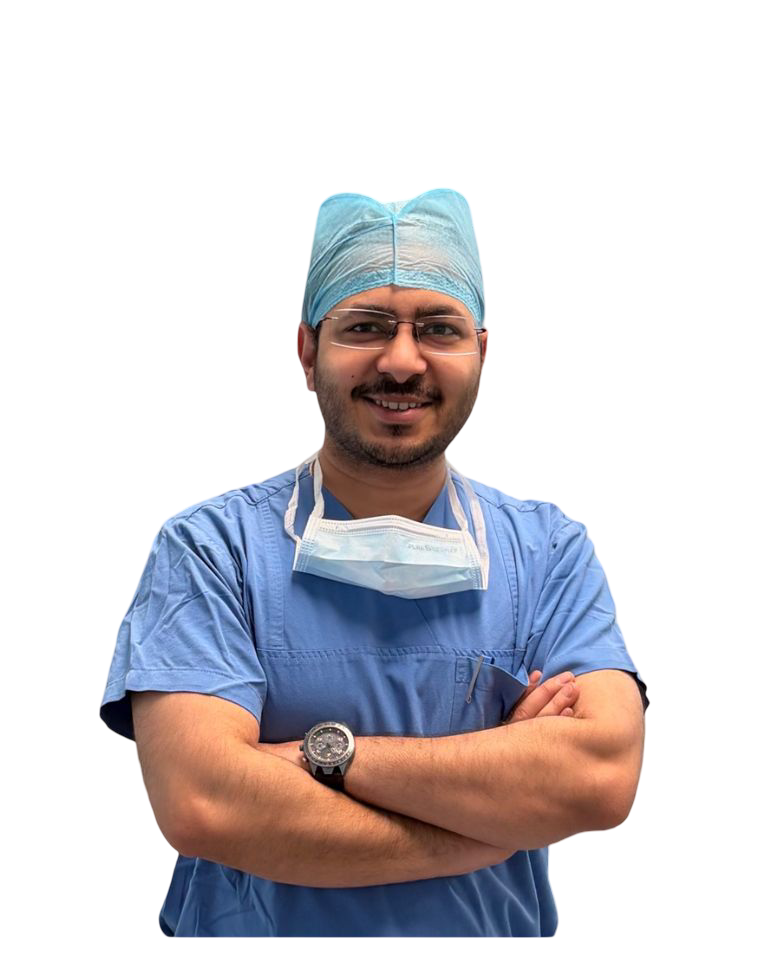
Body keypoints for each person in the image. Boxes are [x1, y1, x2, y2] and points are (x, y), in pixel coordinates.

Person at [99, 188, 648, 938]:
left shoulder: (549, 550)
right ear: (306, 351)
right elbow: (206, 804)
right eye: (365, 326)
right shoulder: (210, 548)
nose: (401, 361)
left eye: (439, 328)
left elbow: (599, 779)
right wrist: (483, 828)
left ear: (481, 354)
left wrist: (322, 757)